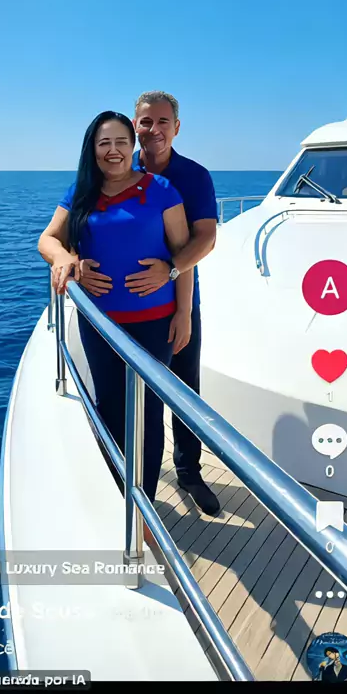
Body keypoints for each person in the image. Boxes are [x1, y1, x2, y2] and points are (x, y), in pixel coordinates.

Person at [38, 110, 194, 503]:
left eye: (121, 142)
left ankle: (143, 507)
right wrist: (66, 259)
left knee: (147, 412)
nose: (113, 150)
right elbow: (48, 239)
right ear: (92, 149)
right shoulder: (81, 192)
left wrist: (183, 312)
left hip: (154, 323)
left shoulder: (161, 190)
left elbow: (183, 255)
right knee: (108, 405)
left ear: (132, 146)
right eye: (104, 143)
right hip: (99, 323)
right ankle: (116, 494)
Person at [80, 91, 220, 515]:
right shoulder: (120, 166)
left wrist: (176, 284)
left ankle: (189, 471)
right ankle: (126, 482)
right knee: (131, 401)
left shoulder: (193, 176)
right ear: (134, 127)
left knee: (183, 389)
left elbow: (205, 238)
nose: (154, 129)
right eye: (146, 122)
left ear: (176, 127)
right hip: (125, 311)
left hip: (178, 300)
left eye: (162, 121)